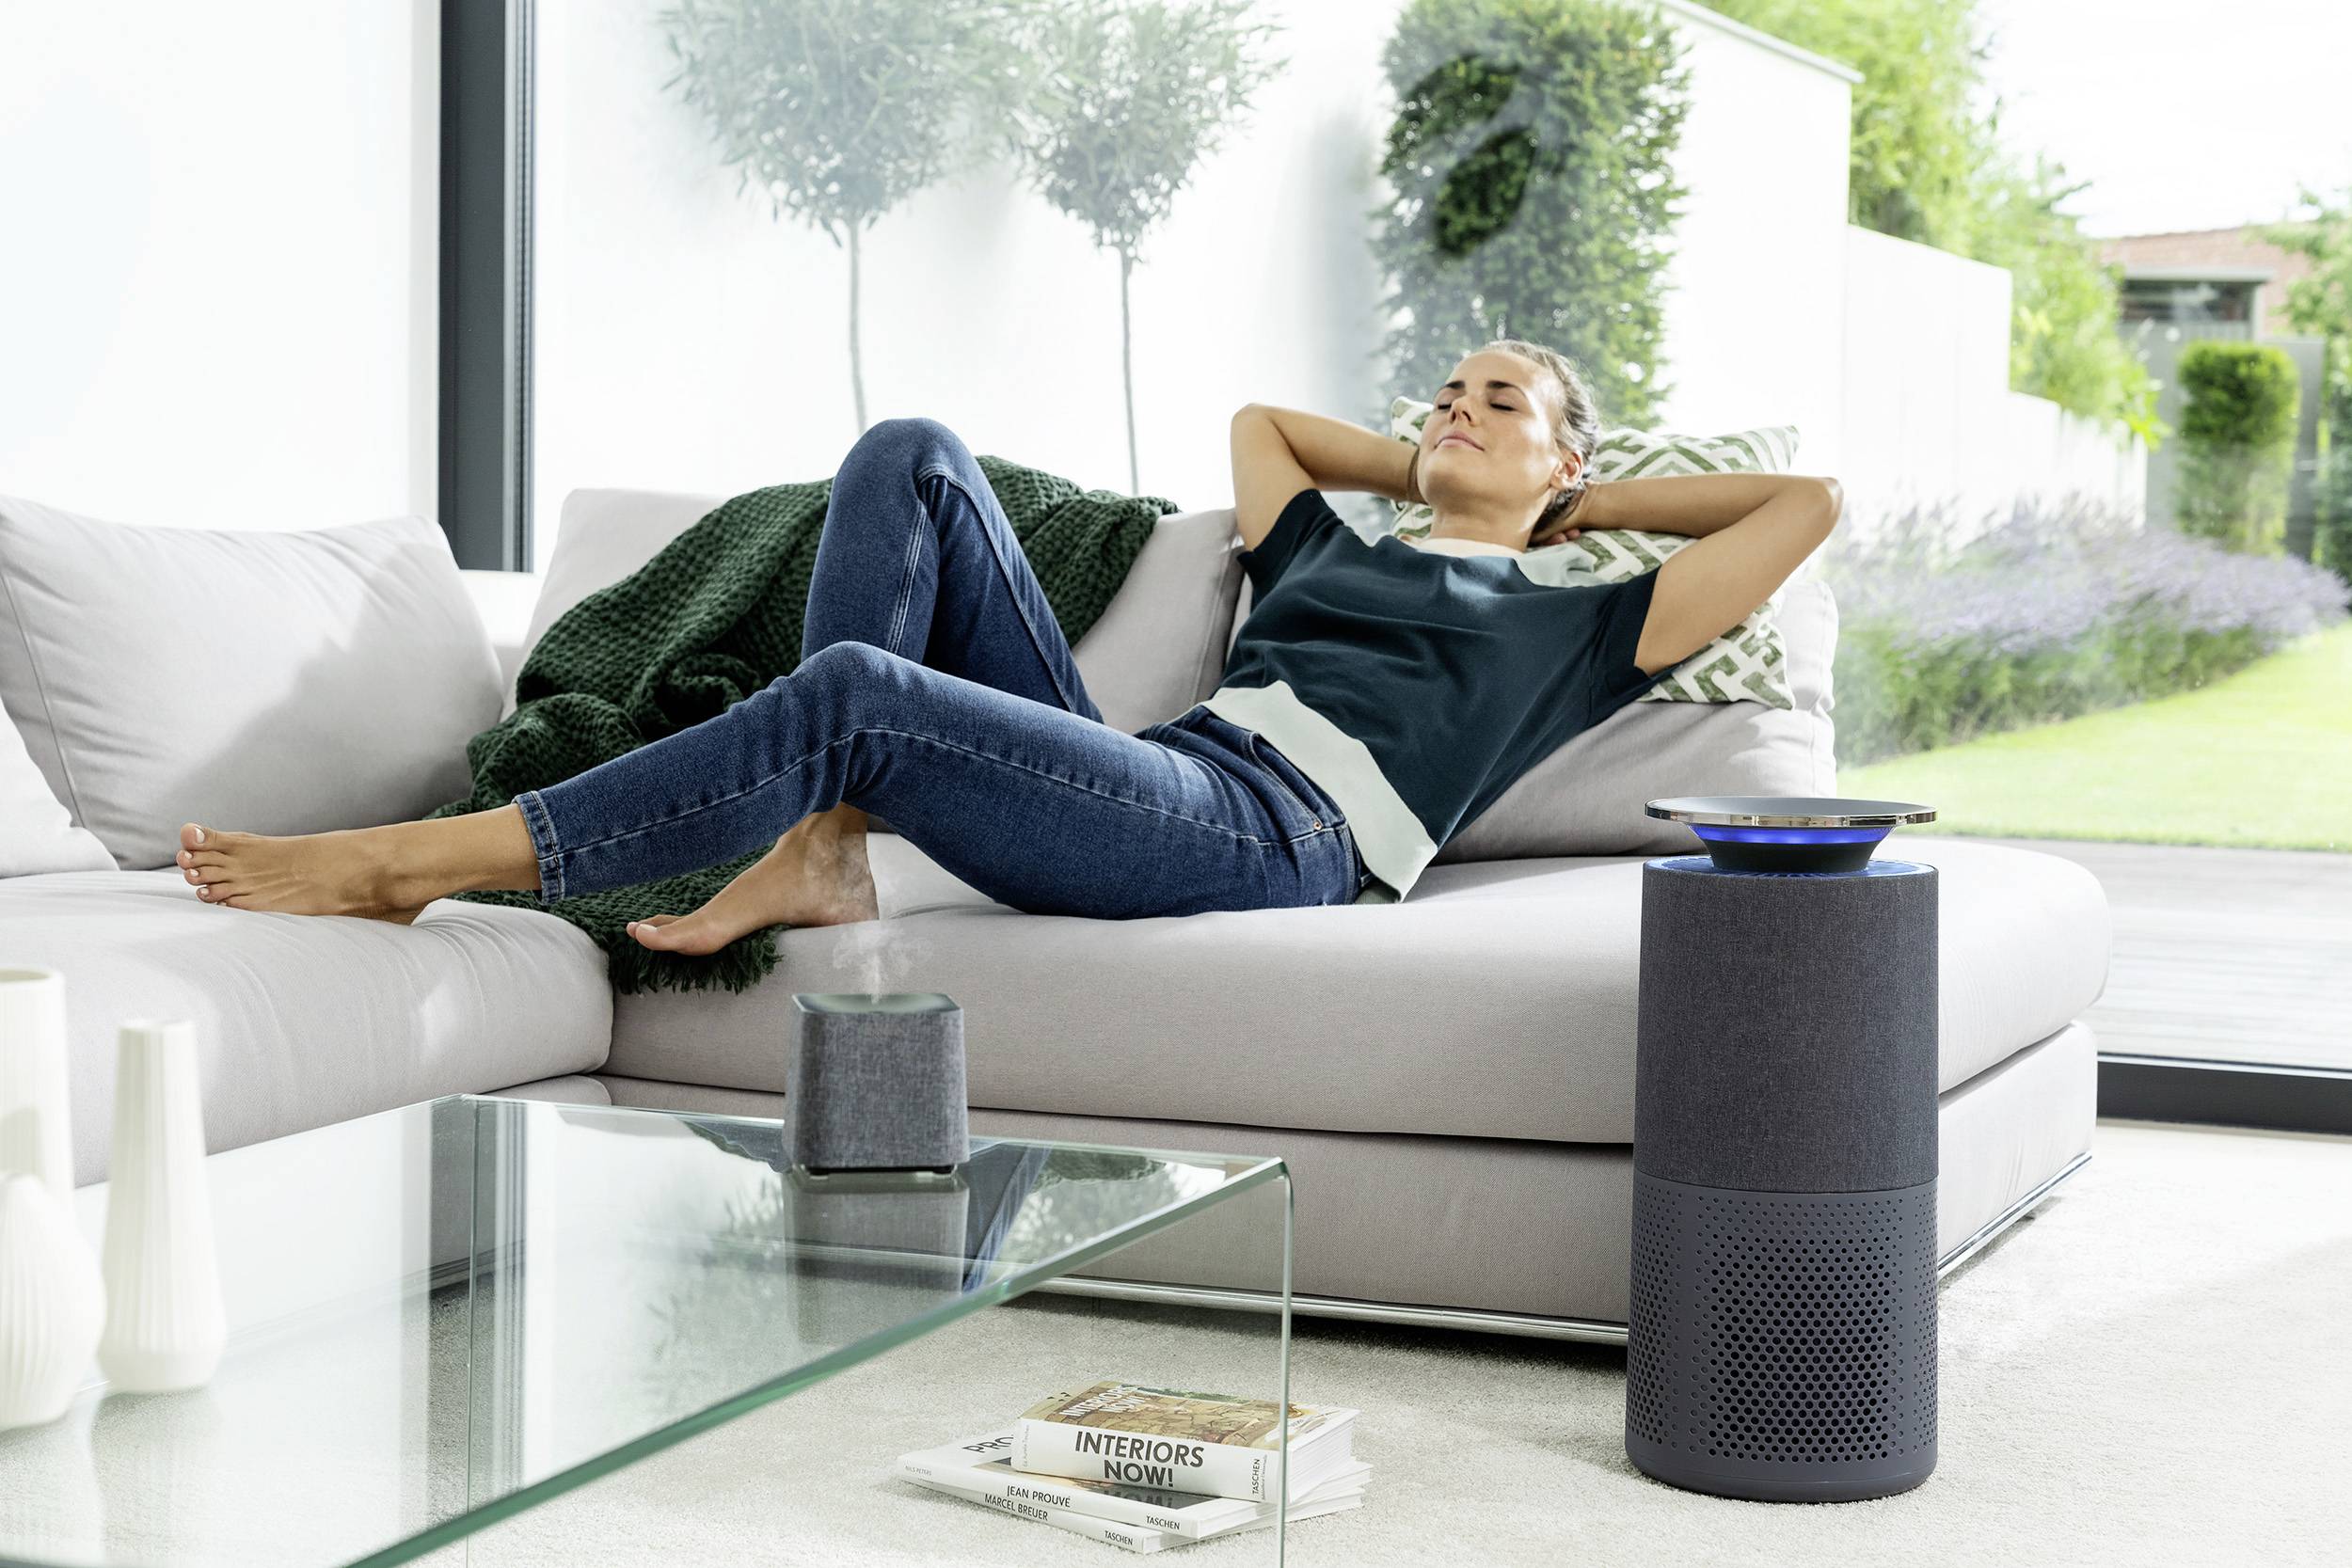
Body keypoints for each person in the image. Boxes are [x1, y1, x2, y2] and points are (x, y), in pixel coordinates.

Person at [172, 339, 1839, 948]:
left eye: (1506, 400)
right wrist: (1425, 465)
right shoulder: (1333, 543)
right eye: (1446, 389)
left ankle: (425, 863)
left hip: (1285, 841)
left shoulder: (1586, 616)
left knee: (858, 696)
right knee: (910, 449)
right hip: (1169, 774)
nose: (1459, 408)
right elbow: (1261, 423)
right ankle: (825, 842)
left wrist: (1583, 503)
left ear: (1574, 461)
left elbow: (1804, 506)